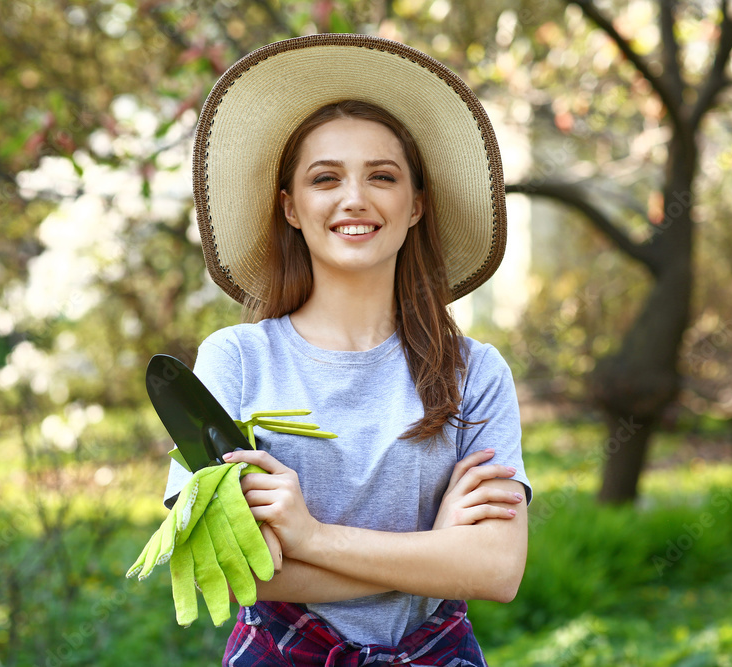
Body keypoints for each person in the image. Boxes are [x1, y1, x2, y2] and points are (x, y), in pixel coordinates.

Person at [162, 34, 532, 666]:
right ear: (292, 207)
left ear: (416, 204)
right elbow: (228, 572)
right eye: (325, 178)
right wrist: (438, 553)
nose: (354, 198)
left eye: (382, 177)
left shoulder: (475, 373)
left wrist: (310, 538)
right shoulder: (237, 361)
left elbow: (497, 570)